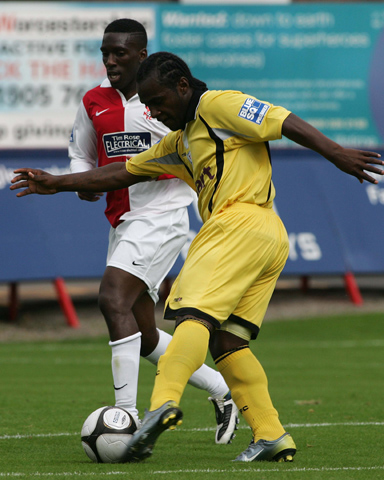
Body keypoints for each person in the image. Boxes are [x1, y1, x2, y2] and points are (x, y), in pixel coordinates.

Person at [11, 52, 383, 463]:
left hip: (236, 222)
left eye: (157, 102)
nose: (152, 112)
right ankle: (271, 434)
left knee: (191, 315)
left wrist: (336, 153)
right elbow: (123, 172)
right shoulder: (178, 141)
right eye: (147, 105)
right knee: (227, 342)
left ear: (182, 86)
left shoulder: (217, 105)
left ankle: (161, 405)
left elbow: (281, 119)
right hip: (267, 235)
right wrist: (57, 183)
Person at [68, 20, 239, 444]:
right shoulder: (93, 101)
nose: (110, 60)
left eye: (119, 53)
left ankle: (124, 419)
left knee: (112, 299)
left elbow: (192, 145)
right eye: (105, 52)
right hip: (123, 221)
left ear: (141, 55)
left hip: (163, 215)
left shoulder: (159, 104)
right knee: (142, 336)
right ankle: (222, 390)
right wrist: (82, 180)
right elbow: (80, 151)